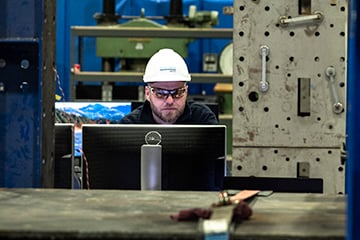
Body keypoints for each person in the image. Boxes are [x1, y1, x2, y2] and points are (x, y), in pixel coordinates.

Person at [120, 48, 218, 124]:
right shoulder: (131, 125)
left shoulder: (202, 120)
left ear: (186, 92)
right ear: (148, 93)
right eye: (160, 93)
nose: (170, 101)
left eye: (177, 93)